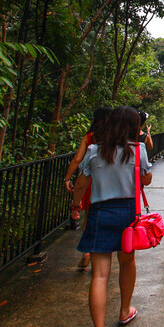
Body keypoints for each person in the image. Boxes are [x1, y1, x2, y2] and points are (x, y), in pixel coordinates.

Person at [70, 105, 152, 327]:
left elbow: (81, 184)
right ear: (132, 127)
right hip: (128, 213)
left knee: (100, 275)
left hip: (99, 213)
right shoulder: (138, 151)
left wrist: (75, 207)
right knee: (127, 263)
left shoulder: (95, 151)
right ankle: (125, 310)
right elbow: (146, 180)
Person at [64, 106, 112, 270]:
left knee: (89, 217)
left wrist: (67, 178)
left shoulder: (90, 137)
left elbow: (77, 159)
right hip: (110, 182)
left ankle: (86, 253)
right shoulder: (115, 137)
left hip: (91, 180)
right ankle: (101, 254)